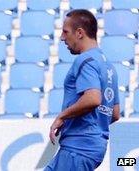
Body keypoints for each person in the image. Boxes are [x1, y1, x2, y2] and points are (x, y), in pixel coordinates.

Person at [46, 9, 120, 171]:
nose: (62, 37)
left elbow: (93, 99)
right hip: (91, 148)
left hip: (78, 148)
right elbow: (114, 113)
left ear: (80, 33)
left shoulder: (85, 60)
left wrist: (62, 116)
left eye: (65, 32)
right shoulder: (109, 67)